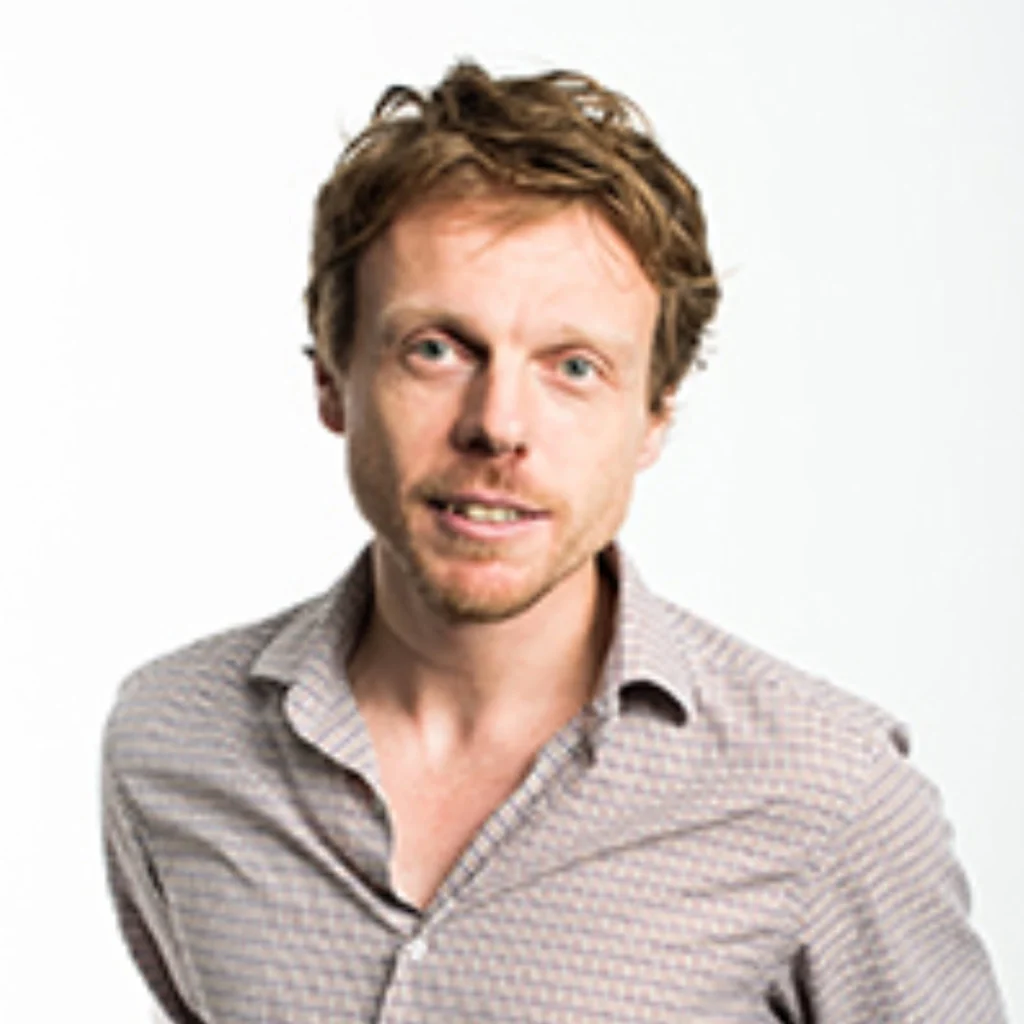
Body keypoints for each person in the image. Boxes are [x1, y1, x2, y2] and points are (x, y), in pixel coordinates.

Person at [102, 62, 1006, 1023]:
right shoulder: (173, 741)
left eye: (574, 367)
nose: (498, 425)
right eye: (437, 349)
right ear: (333, 379)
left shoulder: (829, 792)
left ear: (653, 417)